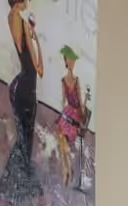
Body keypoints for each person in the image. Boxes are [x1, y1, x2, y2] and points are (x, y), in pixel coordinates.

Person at [0, 0, 44, 206]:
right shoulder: (21, 21)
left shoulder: (13, 18)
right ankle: (14, 186)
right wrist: (33, 34)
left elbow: (34, 64)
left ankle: (13, 185)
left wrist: (31, 32)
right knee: (26, 139)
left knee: (24, 139)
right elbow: (38, 67)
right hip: (26, 87)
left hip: (22, 85)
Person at [55, 45, 86, 186]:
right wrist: (63, 116)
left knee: (62, 137)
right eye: (69, 60)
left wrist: (82, 118)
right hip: (68, 113)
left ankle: (66, 170)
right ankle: (67, 169)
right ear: (66, 61)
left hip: (74, 114)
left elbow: (79, 100)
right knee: (61, 137)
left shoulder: (76, 80)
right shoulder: (63, 81)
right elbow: (63, 100)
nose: (71, 63)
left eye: (73, 60)